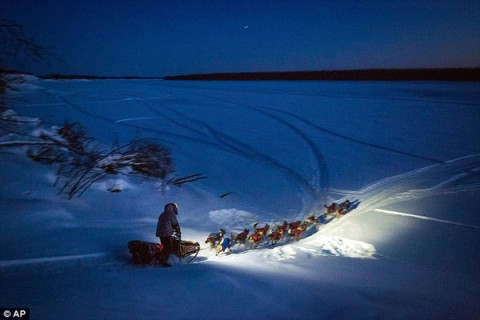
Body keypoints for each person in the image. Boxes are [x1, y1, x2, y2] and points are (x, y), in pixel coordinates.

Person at [156, 202, 181, 267]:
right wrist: (178, 231)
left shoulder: (162, 214)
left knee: (164, 246)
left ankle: (160, 258)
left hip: (160, 233)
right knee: (169, 248)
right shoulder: (171, 214)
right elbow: (175, 224)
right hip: (166, 233)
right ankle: (163, 261)